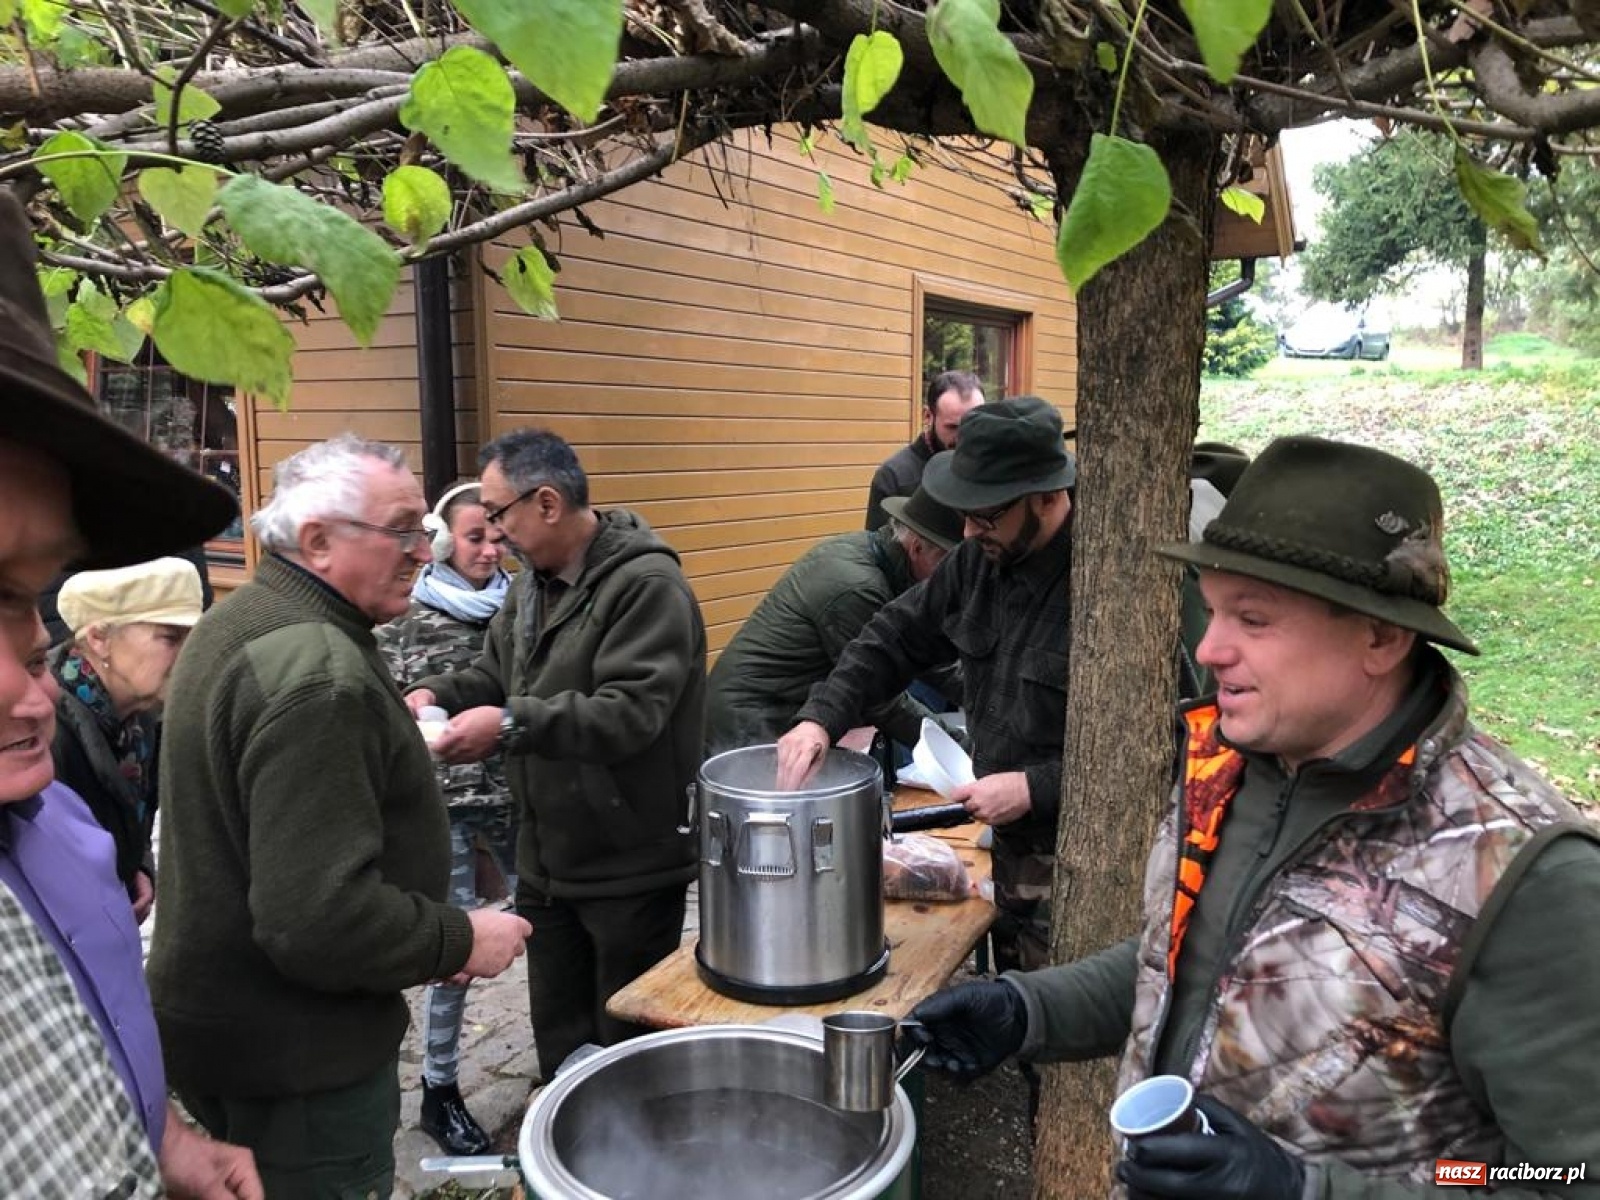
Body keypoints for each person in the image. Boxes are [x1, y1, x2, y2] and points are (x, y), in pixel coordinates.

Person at [905, 436, 1600, 1197]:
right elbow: (1204, 968)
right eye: (1213, 606)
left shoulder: (1529, 877)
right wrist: (1027, 1009)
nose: (1211, 646)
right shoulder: (1233, 765)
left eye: (1255, 619)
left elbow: (1564, 1175)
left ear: (1381, 635)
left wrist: (1309, 1190)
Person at [148, 434, 532, 1198]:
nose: (422, 552)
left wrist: (415, 945)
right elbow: (314, 920)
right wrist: (458, 934)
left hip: (227, 1030)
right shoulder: (320, 675)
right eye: (400, 531)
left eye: (423, 531)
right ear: (318, 541)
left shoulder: (245, 618)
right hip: (296, 1061)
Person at [0, 188, 260, 1198]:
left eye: (23, 605)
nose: (28, 697)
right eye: (166, 638)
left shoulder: (35, 807)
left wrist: (153, 1135)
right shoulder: (53, 741)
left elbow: (81, 1001)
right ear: (101, 641)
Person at [406, 428, 706, 1081]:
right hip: (546, 864)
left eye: (497, 512)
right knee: (563, 1046)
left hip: (630, 866)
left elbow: (631, 715)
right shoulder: (532, 585)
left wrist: (513, 723)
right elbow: (494, 674)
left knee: (628, 1049)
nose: (492, 530)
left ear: (546, 504)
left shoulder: (646, 585)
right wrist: (435, 692)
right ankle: (567, 1163)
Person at [779, 396, 1076, 975]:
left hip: (1078, 855)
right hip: (1011, 849)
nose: (967, 531)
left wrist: (1036, 786)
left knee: (1066, 1013)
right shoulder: (978, 560)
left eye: (984, 516)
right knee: (1016, 993)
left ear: (1045, 497)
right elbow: (892, 638)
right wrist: (821, 718)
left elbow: (1167, 742)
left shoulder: (1105, 579)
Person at [376, 480, 518, 1157]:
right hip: (441, 813)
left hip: (517, 796)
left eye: (497, 534)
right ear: (440, 544)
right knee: (455, 953)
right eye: (474, 537)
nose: (490, 549)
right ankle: (439, 1089)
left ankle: (563, 1053)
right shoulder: (401, 620)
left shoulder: (518, 608)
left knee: (545, 924)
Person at [706, 485, 963, 755]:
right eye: (947, 562)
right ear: (917, 548)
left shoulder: (874, 554)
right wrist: (960, 749)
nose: (954, 577)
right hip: (752, 719)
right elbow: (880, 698)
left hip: (773, 710)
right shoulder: (859, 588)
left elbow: (920, 652)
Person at [50, 555, 204, 922]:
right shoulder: (48, 732)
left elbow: (131, 815)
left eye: (193, 638)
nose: (188, 656)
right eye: (170, 637)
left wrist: (138, 867)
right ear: (99, 639)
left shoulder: (141, 719)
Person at [864, 370, 985, 530]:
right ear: (928, 416)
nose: (963, 437)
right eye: (953, 427)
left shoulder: (991, 466)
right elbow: (878, 549)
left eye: (974, 425)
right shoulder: (894, 476)